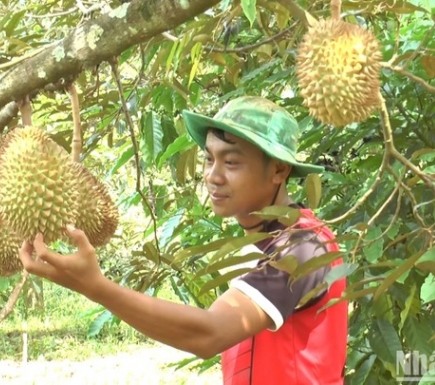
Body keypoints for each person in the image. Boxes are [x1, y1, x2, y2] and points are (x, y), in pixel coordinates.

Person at [19, 96, 348, 384]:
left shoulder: (305, 246)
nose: (212, 175)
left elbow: (208, 333)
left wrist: (95, 287)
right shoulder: (262, 242)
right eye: (209, 158)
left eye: (231, 162)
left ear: (278, 171)